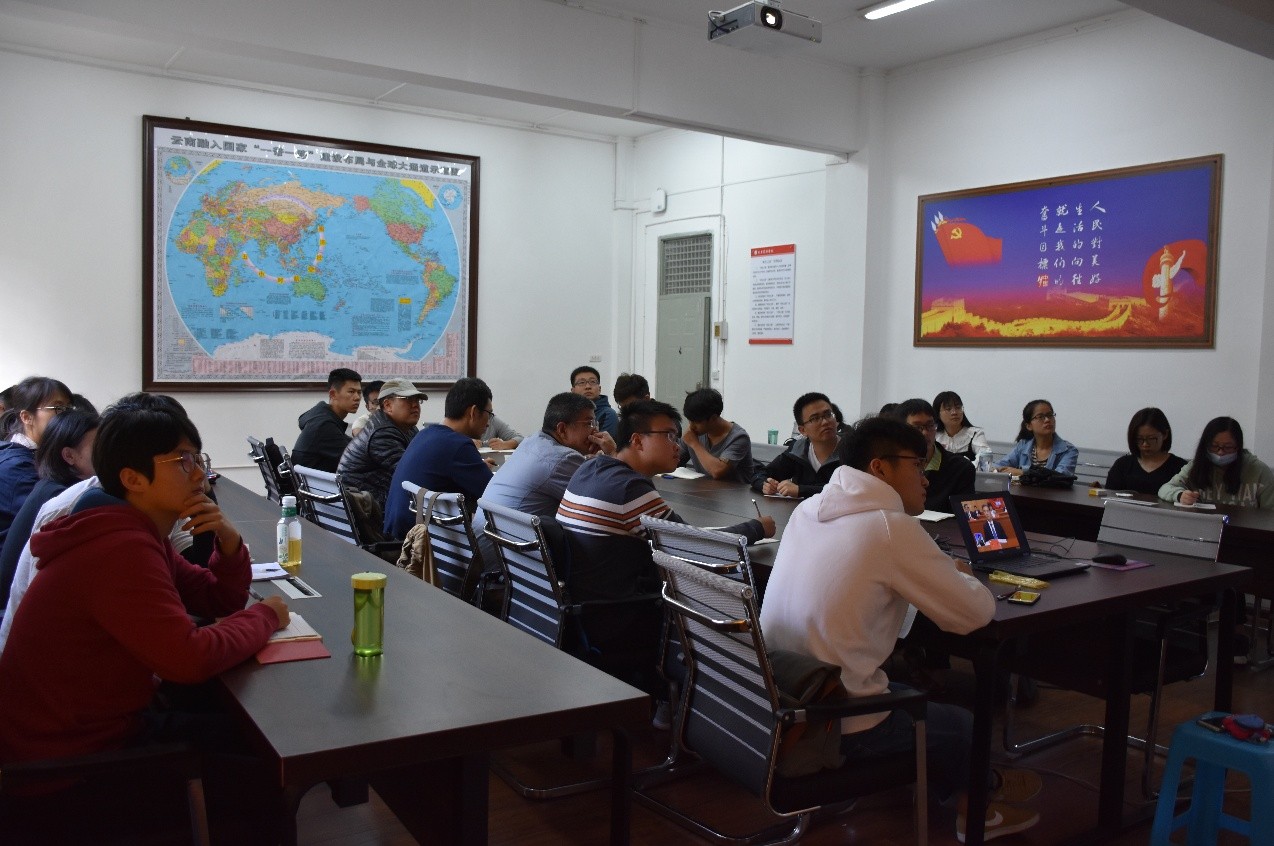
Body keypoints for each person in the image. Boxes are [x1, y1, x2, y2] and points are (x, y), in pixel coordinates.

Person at [0, 394, 289, 843]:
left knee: (252, 734)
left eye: (198, 458)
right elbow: (189, 658)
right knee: (267, 776)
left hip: (101, 730)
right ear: (133, 478)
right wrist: (266, 616)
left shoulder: (131, 528)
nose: (201, 474)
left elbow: (217, 599)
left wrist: (228, 541)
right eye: (182, 461)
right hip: (64, 773)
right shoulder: (118, 548)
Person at [759, 417, 1039, 841]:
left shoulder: (807, 510)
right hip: (832, 724)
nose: (926, 478)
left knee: (906, 685)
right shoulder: (891, 527)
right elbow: (974, 614)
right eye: (917, 465)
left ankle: (977, 784)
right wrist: (961, 576)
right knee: (961, 725)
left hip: (783, 699)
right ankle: (978, 810)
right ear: (880, 468)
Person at [557, 400, 773, 693]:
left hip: (584, 611)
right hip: (620, 618)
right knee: (741, 588)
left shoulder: (592, 468)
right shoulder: (629, 488)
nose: (677, 445)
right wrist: (757, 528)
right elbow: (695, 548)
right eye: (669, 436)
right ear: (637, 441)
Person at [0, 409, 98, 622]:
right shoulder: (68, 499)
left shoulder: (51, 485)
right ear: (69, 456)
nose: (108, 454)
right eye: (99, 447)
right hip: (16, 615)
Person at [384, 377, 496, 539]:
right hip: (419, 546)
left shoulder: (425, 434)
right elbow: (496, 496)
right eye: (489, 414)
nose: (488, 422)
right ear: (473, 412)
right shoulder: (459, 445)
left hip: (398, 537)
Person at [480, 392, 616, 518]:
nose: (595, 430)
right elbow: (609, 500)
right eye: (589, 423)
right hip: (510, 535)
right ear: (562, 429)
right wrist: (612, 453)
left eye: (595, 423)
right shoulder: (563, 459)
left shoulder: (532, 441)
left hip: (491, 531)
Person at [0, 376, 73, 548]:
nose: (68, 416)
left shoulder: (38, 456)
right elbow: (54, 520)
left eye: (69, 409)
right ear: (27, 417)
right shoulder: (17, 467)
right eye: (58, 408)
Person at [338, 378, 426, 508]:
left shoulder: (406, 427)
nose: (415, 405)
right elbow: (412, 474)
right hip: (366, 508)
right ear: (388, 405)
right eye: (408, 400)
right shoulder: (382, 433)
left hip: (374, 502)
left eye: (417, 400)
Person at [1159, 417, 1274, 508]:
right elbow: (1165, 488)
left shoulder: (1259, 470)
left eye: (1228, 447)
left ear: (1238, 447)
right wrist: (1180, 495)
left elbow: (1270, 513)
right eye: (1214, 446)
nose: (1220, 452)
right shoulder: (1196, 466)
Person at [890, 398, 975, 512]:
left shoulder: (961, 468)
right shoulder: (891, 464)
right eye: (917, 427)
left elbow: (964, 515)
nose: (925, 432)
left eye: (930, 426)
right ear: (901, 431)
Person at [753, 392, 844, 498]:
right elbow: (761, 473)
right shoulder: (798, 450)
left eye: (828, 415)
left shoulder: (852, 449)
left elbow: (847, 489)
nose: (825, 422)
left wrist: (800, 490)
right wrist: (765, 484)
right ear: (802, 430)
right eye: (815, 418)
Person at [678, 388, 756, 484]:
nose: (691, 426)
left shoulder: (739, 437)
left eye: (696, 422)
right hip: (702, 490)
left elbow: (717, 471)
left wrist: (695, 444)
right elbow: (673, 459)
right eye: (690, 420)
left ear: (713, 418)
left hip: (734, 492)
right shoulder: (696, 432)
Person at [291, 367, 362, 472]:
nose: (357, 397)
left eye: (359, 392)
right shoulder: (324, 425)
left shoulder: (324, 417)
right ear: (333, 394)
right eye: (351, 392)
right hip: (314, 482)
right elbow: (356, 459)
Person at [1105, 407, 1187, 494]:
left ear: (1165, 434)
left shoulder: (1181, 468)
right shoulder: (1122, 465)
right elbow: (1109, 496)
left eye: (1151, 438)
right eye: (1139, 439)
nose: (1145, 444)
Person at [995, 399, 1078, 476]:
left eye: (1050, 415)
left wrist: (1023, 472)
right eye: (1040, 417)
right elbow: (998, 466)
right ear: (1029, 426)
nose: (1047, 420)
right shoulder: (1023, 446)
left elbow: (1060, 477)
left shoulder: (1068, 450)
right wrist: (997, 470)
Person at [933, 390, 989, 460]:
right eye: (948, 409)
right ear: (938, 414)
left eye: (958, 407)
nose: (954, 412)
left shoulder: (975, 434)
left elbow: (986, 458)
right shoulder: (933, 435)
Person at [571, 365, 618, 439]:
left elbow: (604, 444)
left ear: (599, 389)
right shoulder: (567, 413)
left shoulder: (608, 414)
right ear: (572, 390)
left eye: (592, 382)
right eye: (581, 382)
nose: (588, 387)